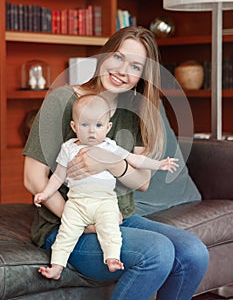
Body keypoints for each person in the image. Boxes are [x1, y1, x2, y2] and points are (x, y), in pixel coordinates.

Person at [23, 26, 209, 300]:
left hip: (116, 217)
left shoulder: (137, 111)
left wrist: (111, 162)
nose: (123, 70)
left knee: (194, 253)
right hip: (66, 225)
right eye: (118, 58)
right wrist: (83, 223)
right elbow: (32, 178)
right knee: (156, 253)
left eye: (135, 66)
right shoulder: (63, 100)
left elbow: (141, 182)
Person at [34, 94, 179, 279]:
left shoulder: (110, 146)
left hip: (105, 202)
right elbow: (57, 176)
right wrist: (45, 194)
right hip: (76, 203)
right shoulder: (69, 148)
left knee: (110, 230)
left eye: (98, 125)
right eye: (85, 125)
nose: (92, 131)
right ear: (74, 126)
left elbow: (135, 159)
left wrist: (159, 164)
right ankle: (56, 267)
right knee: (65, 235)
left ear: (108, 127)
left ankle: (112, 258)